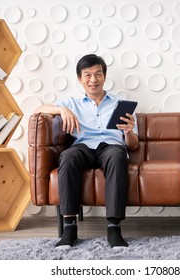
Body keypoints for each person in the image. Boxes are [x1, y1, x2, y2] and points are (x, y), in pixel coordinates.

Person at [33, 54, 139, 248]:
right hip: (83, 146)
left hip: (111, 147)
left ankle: (114, 228)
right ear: (80, 79)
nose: (93, 79)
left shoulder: (121, 105)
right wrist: (60, 110)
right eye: (87, 75)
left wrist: (129, 131)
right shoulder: (72, 103)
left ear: (104, 77)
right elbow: (37, 109)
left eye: (98, 74)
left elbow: (133, 146)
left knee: (117, 156)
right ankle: (70, 228)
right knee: (68, 156)